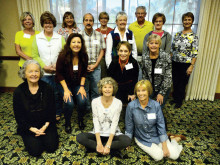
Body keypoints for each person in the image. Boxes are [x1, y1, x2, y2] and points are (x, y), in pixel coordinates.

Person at [125, 80, 186, 161]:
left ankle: (174, 140)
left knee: (174, 155)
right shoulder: (131, 106)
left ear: (149, 91)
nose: (140, 93)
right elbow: (129, 125)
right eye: (138, 91)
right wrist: (127, 141)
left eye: (143, 90)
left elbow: (161, 125)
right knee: (159, 156)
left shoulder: (156, 105)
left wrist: (164, 145)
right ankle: (171, 139)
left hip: (156, 135)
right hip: (142, 138)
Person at [77, 77, 131, 158]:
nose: (107, 89)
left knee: (127, 140)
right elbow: (95, 121)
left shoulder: (118, 103)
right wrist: (98, 142)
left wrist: (108, 145)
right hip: (98, 133)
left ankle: (101, 148)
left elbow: (114, 123)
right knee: (80, 137)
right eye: (105, 87)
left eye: (110, 87)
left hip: (113, 134)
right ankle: (107, 148)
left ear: (113, 89)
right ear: (101, 89)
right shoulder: (95, 102)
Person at [13, 60, 58, 157]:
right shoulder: (18, 91)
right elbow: (18, 116)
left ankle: (42, 136)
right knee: (35, 151)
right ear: (24, 74)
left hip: (46, 124)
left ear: (40, 73)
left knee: (51, 147)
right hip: (29, 126)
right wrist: (32, 129)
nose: (34, 74)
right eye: (30, 71)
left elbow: (52, 111)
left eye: (36, 71)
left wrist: (44, 127)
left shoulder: (47, 88)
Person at [32, 11, 65, 121]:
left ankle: (58, 112)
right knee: (44, 94)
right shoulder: (36, 38)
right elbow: (35, 55)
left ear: (54, 24)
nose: (48, 25)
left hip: (58, 72)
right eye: (46, 23)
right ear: (42, 24)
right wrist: (44, 66)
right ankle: (46, 113)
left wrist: (58, 65)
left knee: (57, 94)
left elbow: (65, 54)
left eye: (50, 22)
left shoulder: (60, 38)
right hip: (44, 72)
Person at [56, 33, 88, 133]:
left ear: (82, 44)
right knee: (69, 103)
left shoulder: (84, 55)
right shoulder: (62, 56)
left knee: (82, 100)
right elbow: (59, 74)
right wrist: (65, 90)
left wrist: (82, 86)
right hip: (64, 84)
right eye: (73, 42)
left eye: (79, 42)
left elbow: (84, 73)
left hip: (78, 83)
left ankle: (80, 119)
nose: (76, 44)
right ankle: (68, 122)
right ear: (69, 44)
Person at [171, 12, 199, 108]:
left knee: (182, 84)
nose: (187, 21)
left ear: (192, 22)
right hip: (175, 62)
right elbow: (172, 49)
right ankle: (175, 99)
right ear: (182, 21)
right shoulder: (177, 34)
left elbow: (195, 52)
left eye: (189, 20)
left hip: (186, 64)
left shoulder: (194, 37)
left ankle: (179, 101)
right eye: (185, 20)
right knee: (175, 82)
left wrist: (192, 66)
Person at [79, 13, 106, 110]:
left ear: (93, 22)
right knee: (84, 89)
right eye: (86, 20)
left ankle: (95, 107)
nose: (88, 22)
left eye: (90, 20)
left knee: (96, 89)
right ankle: (86, 107)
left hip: (96, 66)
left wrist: (95, 65)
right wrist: (84, 65)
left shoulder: (99, 35)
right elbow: (76, 52)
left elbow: (102, 51)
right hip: (83, 67)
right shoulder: (79, 36)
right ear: (83, 22)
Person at [142, 34, 172, 109]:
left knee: (158, 107)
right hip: (150, 87)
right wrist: (146, 90)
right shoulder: (145, 57)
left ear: (159, 44)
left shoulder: (166, 56)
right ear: (148, 44)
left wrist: (161, 93)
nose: (153, 45)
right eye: (151, 43)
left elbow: (168, 77)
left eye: (156, 43)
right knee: (146, 106)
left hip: (163, 87)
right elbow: (144, 76)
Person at [96, 12, 113, 78]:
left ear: (108, 20)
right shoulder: (96, 31)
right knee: (102, 76)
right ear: (99, 20)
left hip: (110, 57)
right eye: (102, 18)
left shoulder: (112, 31)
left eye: (105, 18)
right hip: (100, 58)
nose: (103, 20)